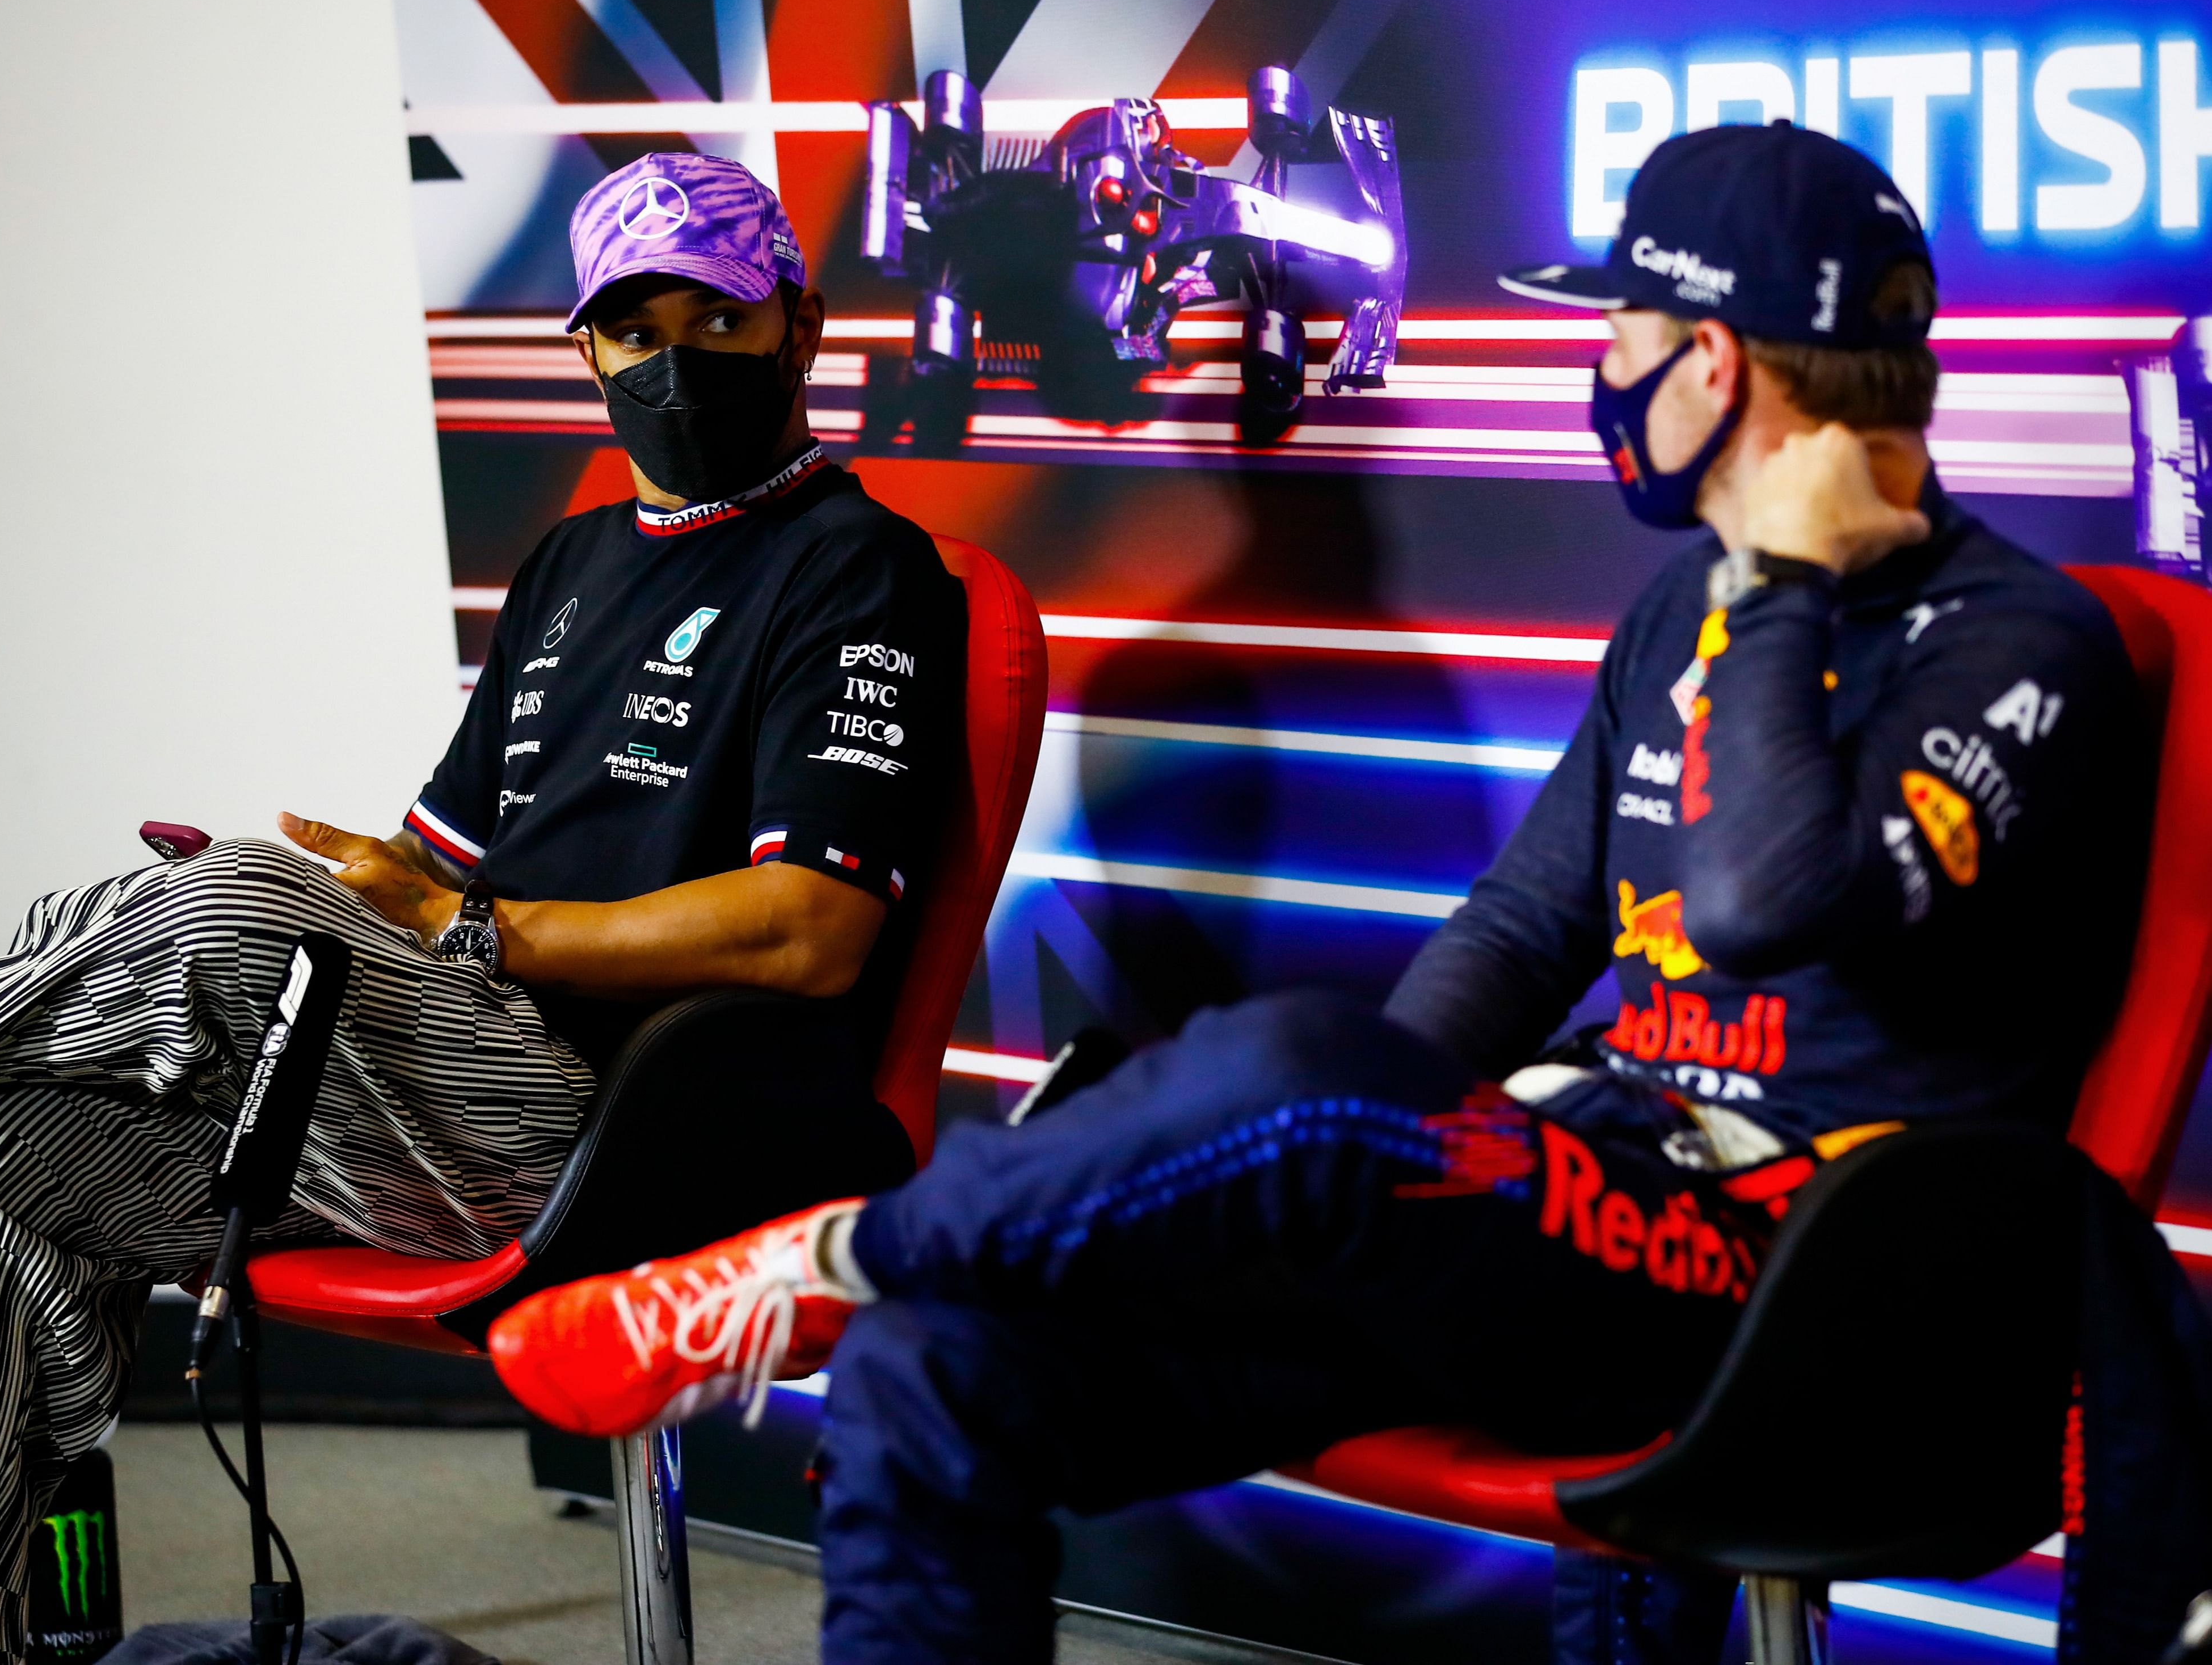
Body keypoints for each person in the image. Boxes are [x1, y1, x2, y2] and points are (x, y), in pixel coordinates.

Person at [483, 123, 2151, 1664]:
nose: (1602, 375)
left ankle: (828, 1259)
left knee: (1306, 1080)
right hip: (1579, 1222)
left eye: (1625, 338)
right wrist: (1372, 1155)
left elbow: (1765, 898)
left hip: (1811, 1277)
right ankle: (894, 1285)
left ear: (1715, 363)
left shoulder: (2023, 639)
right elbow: (1516, 935)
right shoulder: (1676, 619)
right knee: (942, 1374)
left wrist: (1784, 582)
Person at [0, 152, 961, 1665]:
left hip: (634, 1121)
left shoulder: (863, 567)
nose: (679, 363)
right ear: (589, 351)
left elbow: (809, 933)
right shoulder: (568, 565)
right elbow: (438, 874)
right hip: (438, 1085)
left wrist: (453, 933)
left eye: (722, 319)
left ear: (801, 327)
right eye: (638, 329)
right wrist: (358, 896)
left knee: (236, 902)